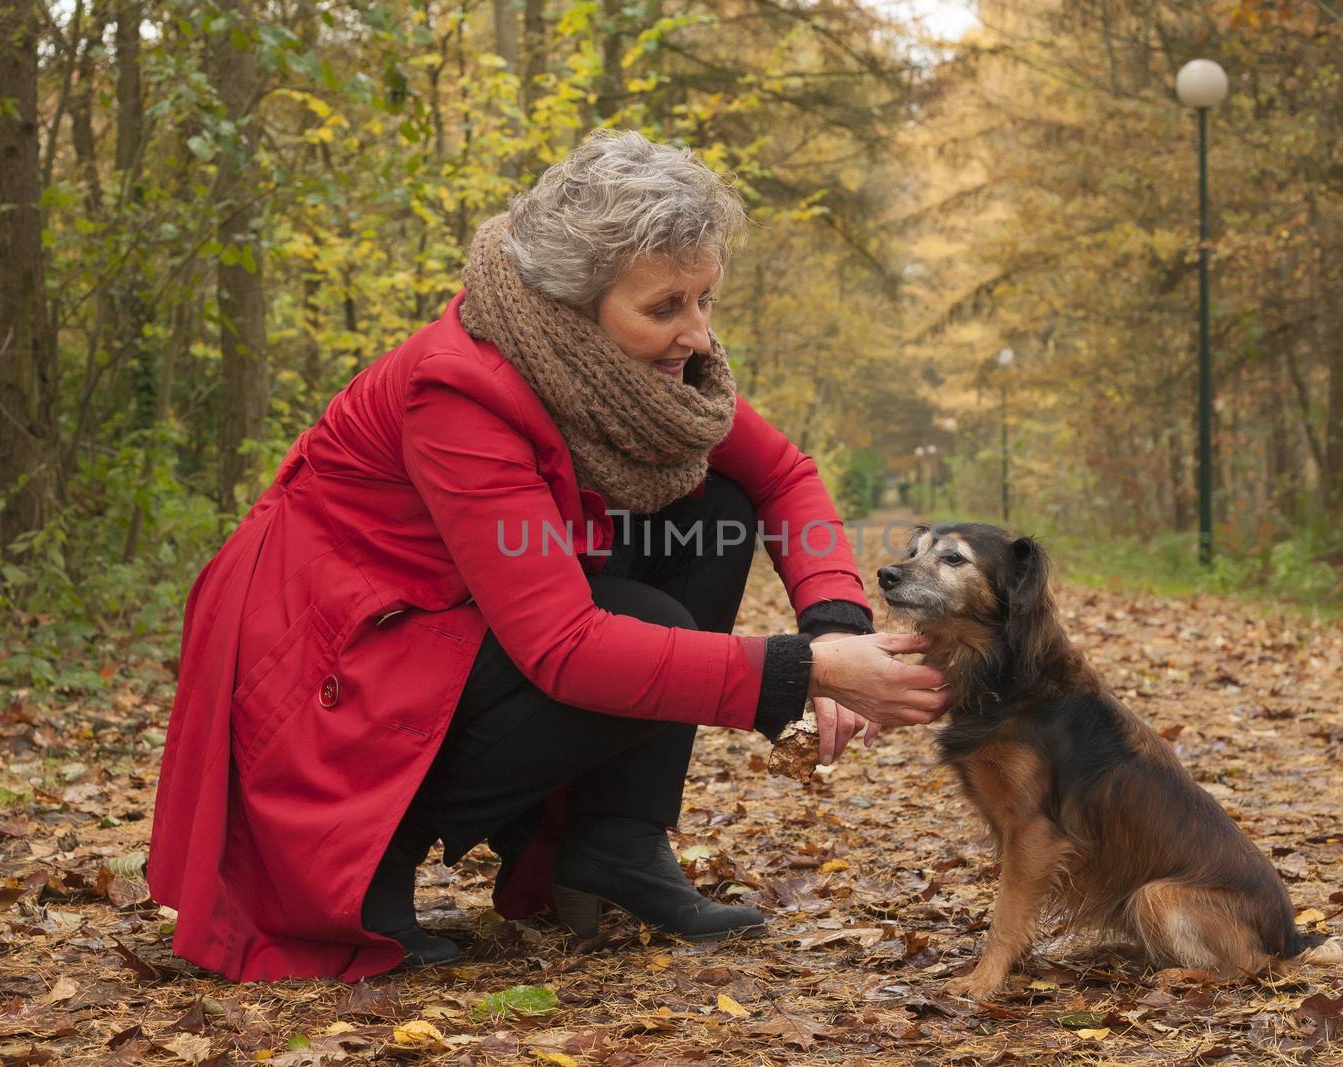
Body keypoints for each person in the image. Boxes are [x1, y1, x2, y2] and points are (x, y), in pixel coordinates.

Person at [146, 129, 953, 982]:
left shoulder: (639, 379)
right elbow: (565, 647)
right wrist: (809, 671)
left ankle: (615, 842)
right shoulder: (459, 386)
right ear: (575, 302)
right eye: (667, 307)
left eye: (706, 298)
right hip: (336, 655)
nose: (699, 335)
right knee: (644, 626)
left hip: (446, 616)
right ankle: (387, 839)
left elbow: (782, 473)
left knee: (712, 502)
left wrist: (835, 618)